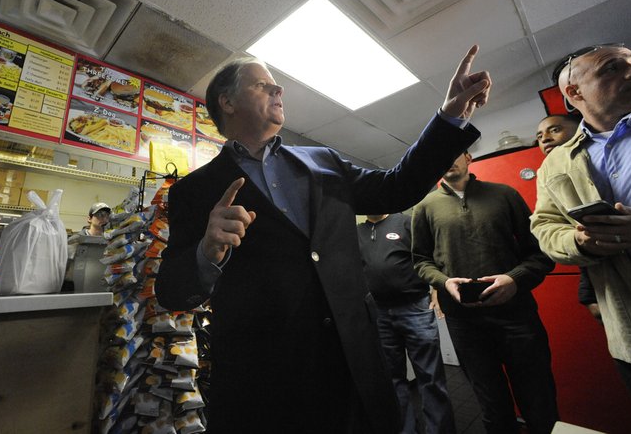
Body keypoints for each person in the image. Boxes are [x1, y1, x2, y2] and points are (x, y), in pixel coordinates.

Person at [155, 45, 491, 433]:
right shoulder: (193, 191)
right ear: (227, 102)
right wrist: (206, 252)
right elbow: (172, 293)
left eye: (279, 86)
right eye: (265, 85)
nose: (279, 91)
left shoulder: (324, 161)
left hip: (353, 356)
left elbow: (396, 188)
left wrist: (448, 118)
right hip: (269, 375)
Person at [530, 44, 631, 432]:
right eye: (612, 68)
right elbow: (545, 227)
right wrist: (581, 243)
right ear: (575, 93)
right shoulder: (556, 162)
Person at [412, 151, 559, 434]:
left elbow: (541, 254)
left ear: (468, 157)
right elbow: (420, 260)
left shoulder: (505, 195)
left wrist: (513, 279)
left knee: (538, 400)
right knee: (491, 404)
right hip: (464, 322)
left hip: (516, 316)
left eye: (455, 151)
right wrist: (444, 282)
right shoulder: (426, 207)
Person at [357, 213, 456, 434]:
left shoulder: (406, 222)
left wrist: (436, 290)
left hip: (415, 308)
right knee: (393, 381)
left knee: (430, 377)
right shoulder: (357, 232)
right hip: (379, 313)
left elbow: (430, 258)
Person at [535, 114, 602, 322]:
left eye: (554, 129)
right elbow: (546, 224)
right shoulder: (546, 172)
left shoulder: (598, 154)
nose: (545, 138)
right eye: (539, 136)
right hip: (593, 263)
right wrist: (576, 241)